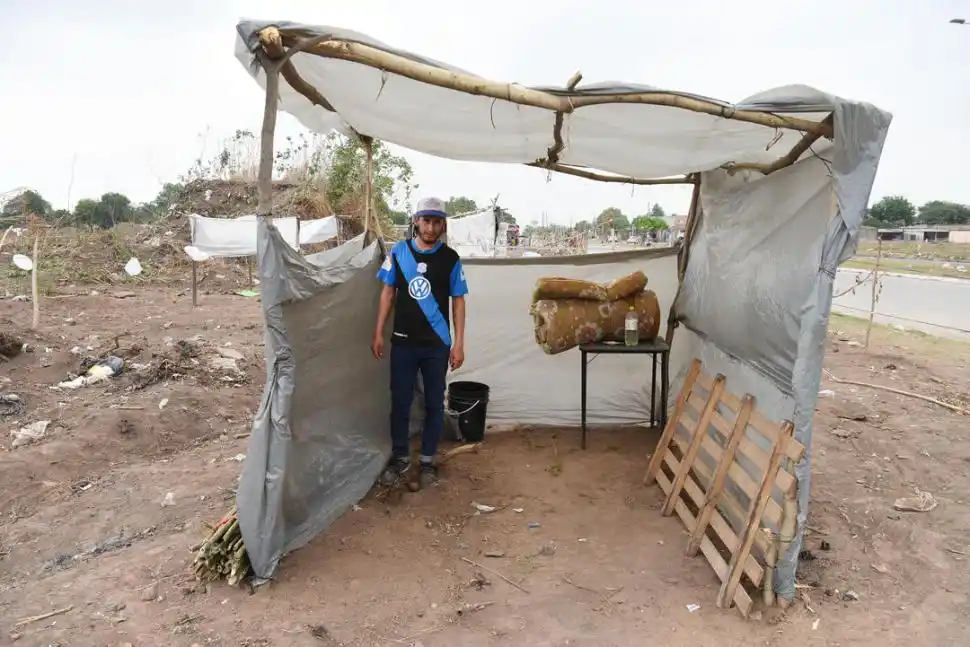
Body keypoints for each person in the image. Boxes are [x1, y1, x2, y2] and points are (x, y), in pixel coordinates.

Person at [372, 197, 468, 488]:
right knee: (400, 401)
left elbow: (458, 302)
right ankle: (400, 457)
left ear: (443, 225)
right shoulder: (399, 253)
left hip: (436, 345)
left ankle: (427, 460)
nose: (430, 227)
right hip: (402, 342)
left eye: (437, 221)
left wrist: (459, 343)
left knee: (434, 403)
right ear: (416, 221)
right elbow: (388, 294)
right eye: (426, 221)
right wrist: (378, 332)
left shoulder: (451, 259)